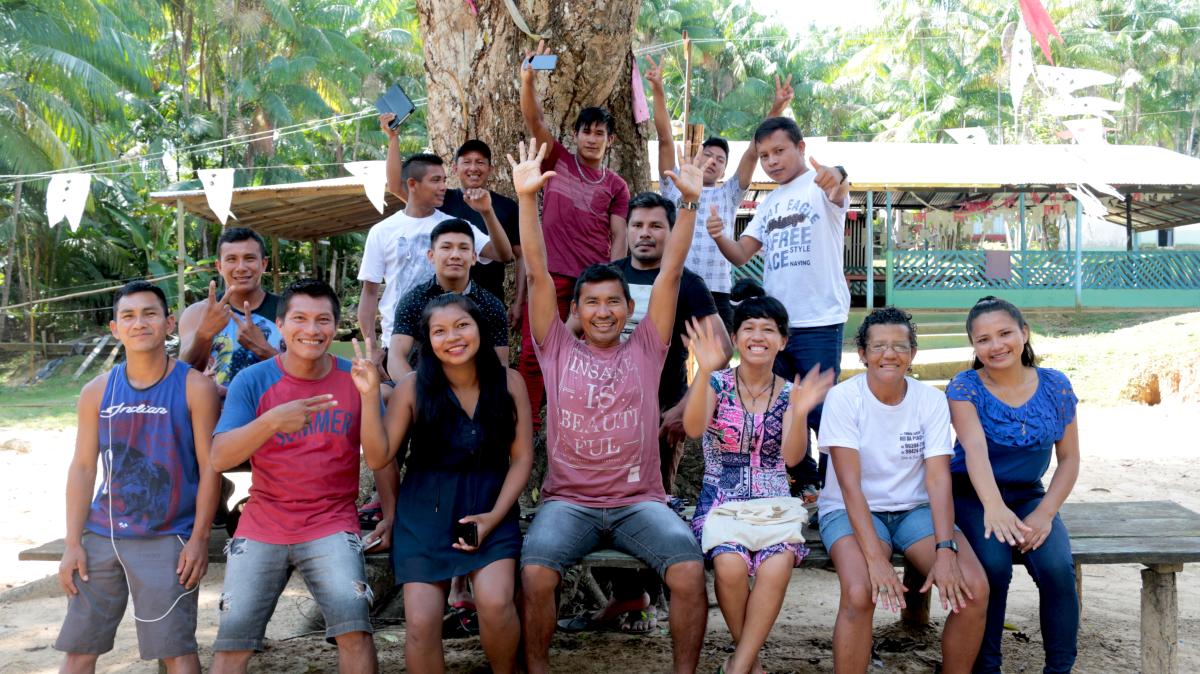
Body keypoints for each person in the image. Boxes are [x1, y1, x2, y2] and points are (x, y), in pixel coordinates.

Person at [511, 139, 708, 674]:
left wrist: (689, 202)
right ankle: (538, 669)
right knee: (536, 574)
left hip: (639, 501)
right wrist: (528, 199)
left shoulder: (647, 347)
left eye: (612, 302)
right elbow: (536, 273)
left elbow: (669, 274)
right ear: (574, 309)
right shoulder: (555, 347)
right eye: (591, 302)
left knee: (688, 571)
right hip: (567, 502)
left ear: (628, 309)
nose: (602, 312)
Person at [560, 191, 732, 635]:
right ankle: (628, 598)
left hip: (660, 417)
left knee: (650, 507)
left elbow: (721, 349)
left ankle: (643, 599)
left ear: (671, 232)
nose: (645, 234)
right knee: (600, 502)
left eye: (656, 226)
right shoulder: (606, 278)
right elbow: (565, 339)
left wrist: (683, 406)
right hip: (601, 421)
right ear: (627, 230)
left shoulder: (687, 284)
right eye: (637, 225)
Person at [209, 279, 397, 674]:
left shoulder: (355, 378)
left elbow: (379, 458)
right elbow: (219, 456)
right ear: (280, 324)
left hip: (331, 523)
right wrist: (273, 421)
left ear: (335, 326)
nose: (311, 330)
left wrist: (368, 395)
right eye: (299, 319)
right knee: (232, 642)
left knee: (355, 631)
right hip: (262, 523)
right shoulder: (254, 380)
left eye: (322, 321)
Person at [56, 281, 220, 674]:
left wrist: (198, 539)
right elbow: (82, 467)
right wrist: (73, 543)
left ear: (169, 324)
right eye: (127, 316)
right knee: (79, 651)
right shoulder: (97, 391)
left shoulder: (195, 387)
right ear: (115, 328)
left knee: (177, 652)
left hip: (167, 537)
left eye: (149, 314)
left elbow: (210, 465)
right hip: (102, 535)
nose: (139, 323)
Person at [363, 293, 533, 674]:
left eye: (461, 326)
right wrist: (369, 395)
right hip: (424, 515)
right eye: (439, 331)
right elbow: (378, 457)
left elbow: (522, 458)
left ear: (479, 330)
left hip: (491, 506)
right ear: (428, 341)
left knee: (494, 603)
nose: (452, 337)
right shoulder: (411, 387)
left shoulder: (509, 383)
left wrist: (493, 517)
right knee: (422, 625)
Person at [817, 307, 989, 674]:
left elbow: (939, 479)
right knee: (861, 591)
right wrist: (876, 560)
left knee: (973, 588)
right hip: (850, 510)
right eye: (878, 346)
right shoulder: (844, 398)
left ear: (913, 353)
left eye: (899, 345)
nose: (889, 354)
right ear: (862, 353)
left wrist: (945, 551)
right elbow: (849, 485)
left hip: (915, 511)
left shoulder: (930, 400)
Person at [681, 293, 834, 674]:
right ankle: (752, 665)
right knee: (730, 567)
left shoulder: (789, 393)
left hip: (773, 501)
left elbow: (793, 457)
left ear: (783, 340)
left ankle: (740, 666)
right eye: (748, 327)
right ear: (735, 337)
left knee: (777, 565)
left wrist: (799, 412)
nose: (758, 335)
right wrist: (701, 370)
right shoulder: (715, 383)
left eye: (769, 329)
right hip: (720, 499)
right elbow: (693, 428)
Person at [706, 114, 852, 492]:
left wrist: (837, 175)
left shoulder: (819, 186)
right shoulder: (769, 202)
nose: (771, 161)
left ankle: (834, 490)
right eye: (764, 154)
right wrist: (720, 235)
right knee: (784, 406)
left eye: (779, 151)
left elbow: (838, 187)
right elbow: (740, 255)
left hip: (819, 320)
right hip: (777, 327)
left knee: (821, 410)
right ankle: (802, 485)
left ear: (801, 148)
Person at [948, 296, 1080, 674]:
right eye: (983, 339)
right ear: (974, 346)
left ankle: (1059, 668)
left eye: (1004, 333)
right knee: (993, 566)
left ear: (1024, 333)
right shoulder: (966, 387)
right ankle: (986, 667)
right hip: (973, 495)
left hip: (1028, 495)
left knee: (1056, 566)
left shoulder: (1056, 385)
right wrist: (993, 507)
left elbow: (1069, 459)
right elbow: (973, 450)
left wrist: (1044, 514)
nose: (996, 345)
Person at [516, 40, 632, 430]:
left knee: (585, 353)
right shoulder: (558, 161)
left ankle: (575, 419)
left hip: (590, 284)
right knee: (535, 351)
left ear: (609, 141)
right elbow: (534, 123)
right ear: (576, 135)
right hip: (549, 276)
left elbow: (619, 236)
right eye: (586, 131)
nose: (592, 138)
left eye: (600, 133)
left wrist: (612, 280)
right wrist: (527, 82)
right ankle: (529, 421)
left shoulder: (616, 185)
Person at [645, 58, 795, 329]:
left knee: (720, 360)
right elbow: (665, 137)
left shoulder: (729, 194)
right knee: (669, 358)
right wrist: (658, 89)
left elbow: (752, 152)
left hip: (717, 289)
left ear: (725, 170)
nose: (713, 161)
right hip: (675, 282)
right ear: (695, 155)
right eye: (708, 155)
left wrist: (776, 108)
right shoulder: (673, 184)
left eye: (720, 159)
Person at [358, 150, 513, 378]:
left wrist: (487, 213)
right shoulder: (382, 231)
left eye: (444, 180)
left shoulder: (455, 226)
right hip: (399, 343)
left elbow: (503, 254)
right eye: (435, 180)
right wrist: (372, 348)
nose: (443, 186)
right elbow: (370, 294)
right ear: (412, 184)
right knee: (402, 403)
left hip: (451, 339)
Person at [380, 129, 521, 304]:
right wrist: (393, 138)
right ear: (455, 168)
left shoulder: (506, 206)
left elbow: (513, 255)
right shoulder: (439, 200)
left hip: (488, 299)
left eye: (480, 162)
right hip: (444, 302)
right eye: (466, 162)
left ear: (490, 169)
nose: (473, 168)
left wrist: (519, 301)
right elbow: (395, 186)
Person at [388, 218, 509, 378]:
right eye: (446, 248)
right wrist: (418, 393)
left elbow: (500, 364)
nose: (455, 255)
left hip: (476, 386)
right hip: (423, 384)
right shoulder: (413, 300)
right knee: (384, 392)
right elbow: (396, 358)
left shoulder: (491, 305)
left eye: (463, 248)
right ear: (431, 256)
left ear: (474, 257)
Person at [178, 227, 281, 391]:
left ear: (264, 264)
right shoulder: (196, 313)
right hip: (214, 413)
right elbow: (181, 372)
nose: (241, 267)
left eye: (249, 258)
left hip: (275, 411)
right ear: (219, 266)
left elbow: (305, 374)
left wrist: (264, 350)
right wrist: (204, 333)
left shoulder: (286, 311)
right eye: (231, 259)